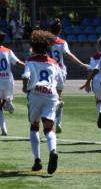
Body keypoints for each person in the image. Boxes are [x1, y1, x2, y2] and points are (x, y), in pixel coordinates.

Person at [22, 30, 64, 174]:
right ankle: (53, 151)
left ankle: (37, 160)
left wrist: (24, 87)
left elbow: (26, 76)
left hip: (36, 94)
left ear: (33, 47)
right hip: (51, 95)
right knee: (48, 128)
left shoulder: (30, 61)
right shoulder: (54, 63)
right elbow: (60, 83)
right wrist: (58, 96)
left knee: (34, 126)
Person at [48, 18, 89, 133]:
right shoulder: (62, 42)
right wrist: (81, 64)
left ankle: (50, 122)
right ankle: (59, 122)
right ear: (60, 31)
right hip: (61, 70)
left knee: (49, 97)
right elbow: (69, 55)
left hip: (49, 70)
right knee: (58, 96)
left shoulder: (46, 42)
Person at [82, 37, 101, 129]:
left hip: (97, 80)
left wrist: (88, 83)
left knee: (99, 100)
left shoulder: (94, 57)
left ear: (99, 46)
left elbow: (91, 70)